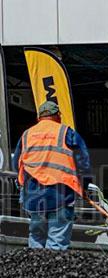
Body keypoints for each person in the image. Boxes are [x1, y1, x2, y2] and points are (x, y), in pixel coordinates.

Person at [12, 101, 92, 250]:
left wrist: (23, 184)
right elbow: (84, 164)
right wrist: (85, 186)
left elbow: (16, 163)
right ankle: (52, 265)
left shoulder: (27, 135)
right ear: (58, 116)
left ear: (39, 118)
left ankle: (35, 265)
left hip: (33, 196)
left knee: (36, 237)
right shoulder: (67, 133)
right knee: (57, 241)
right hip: (61, 195)